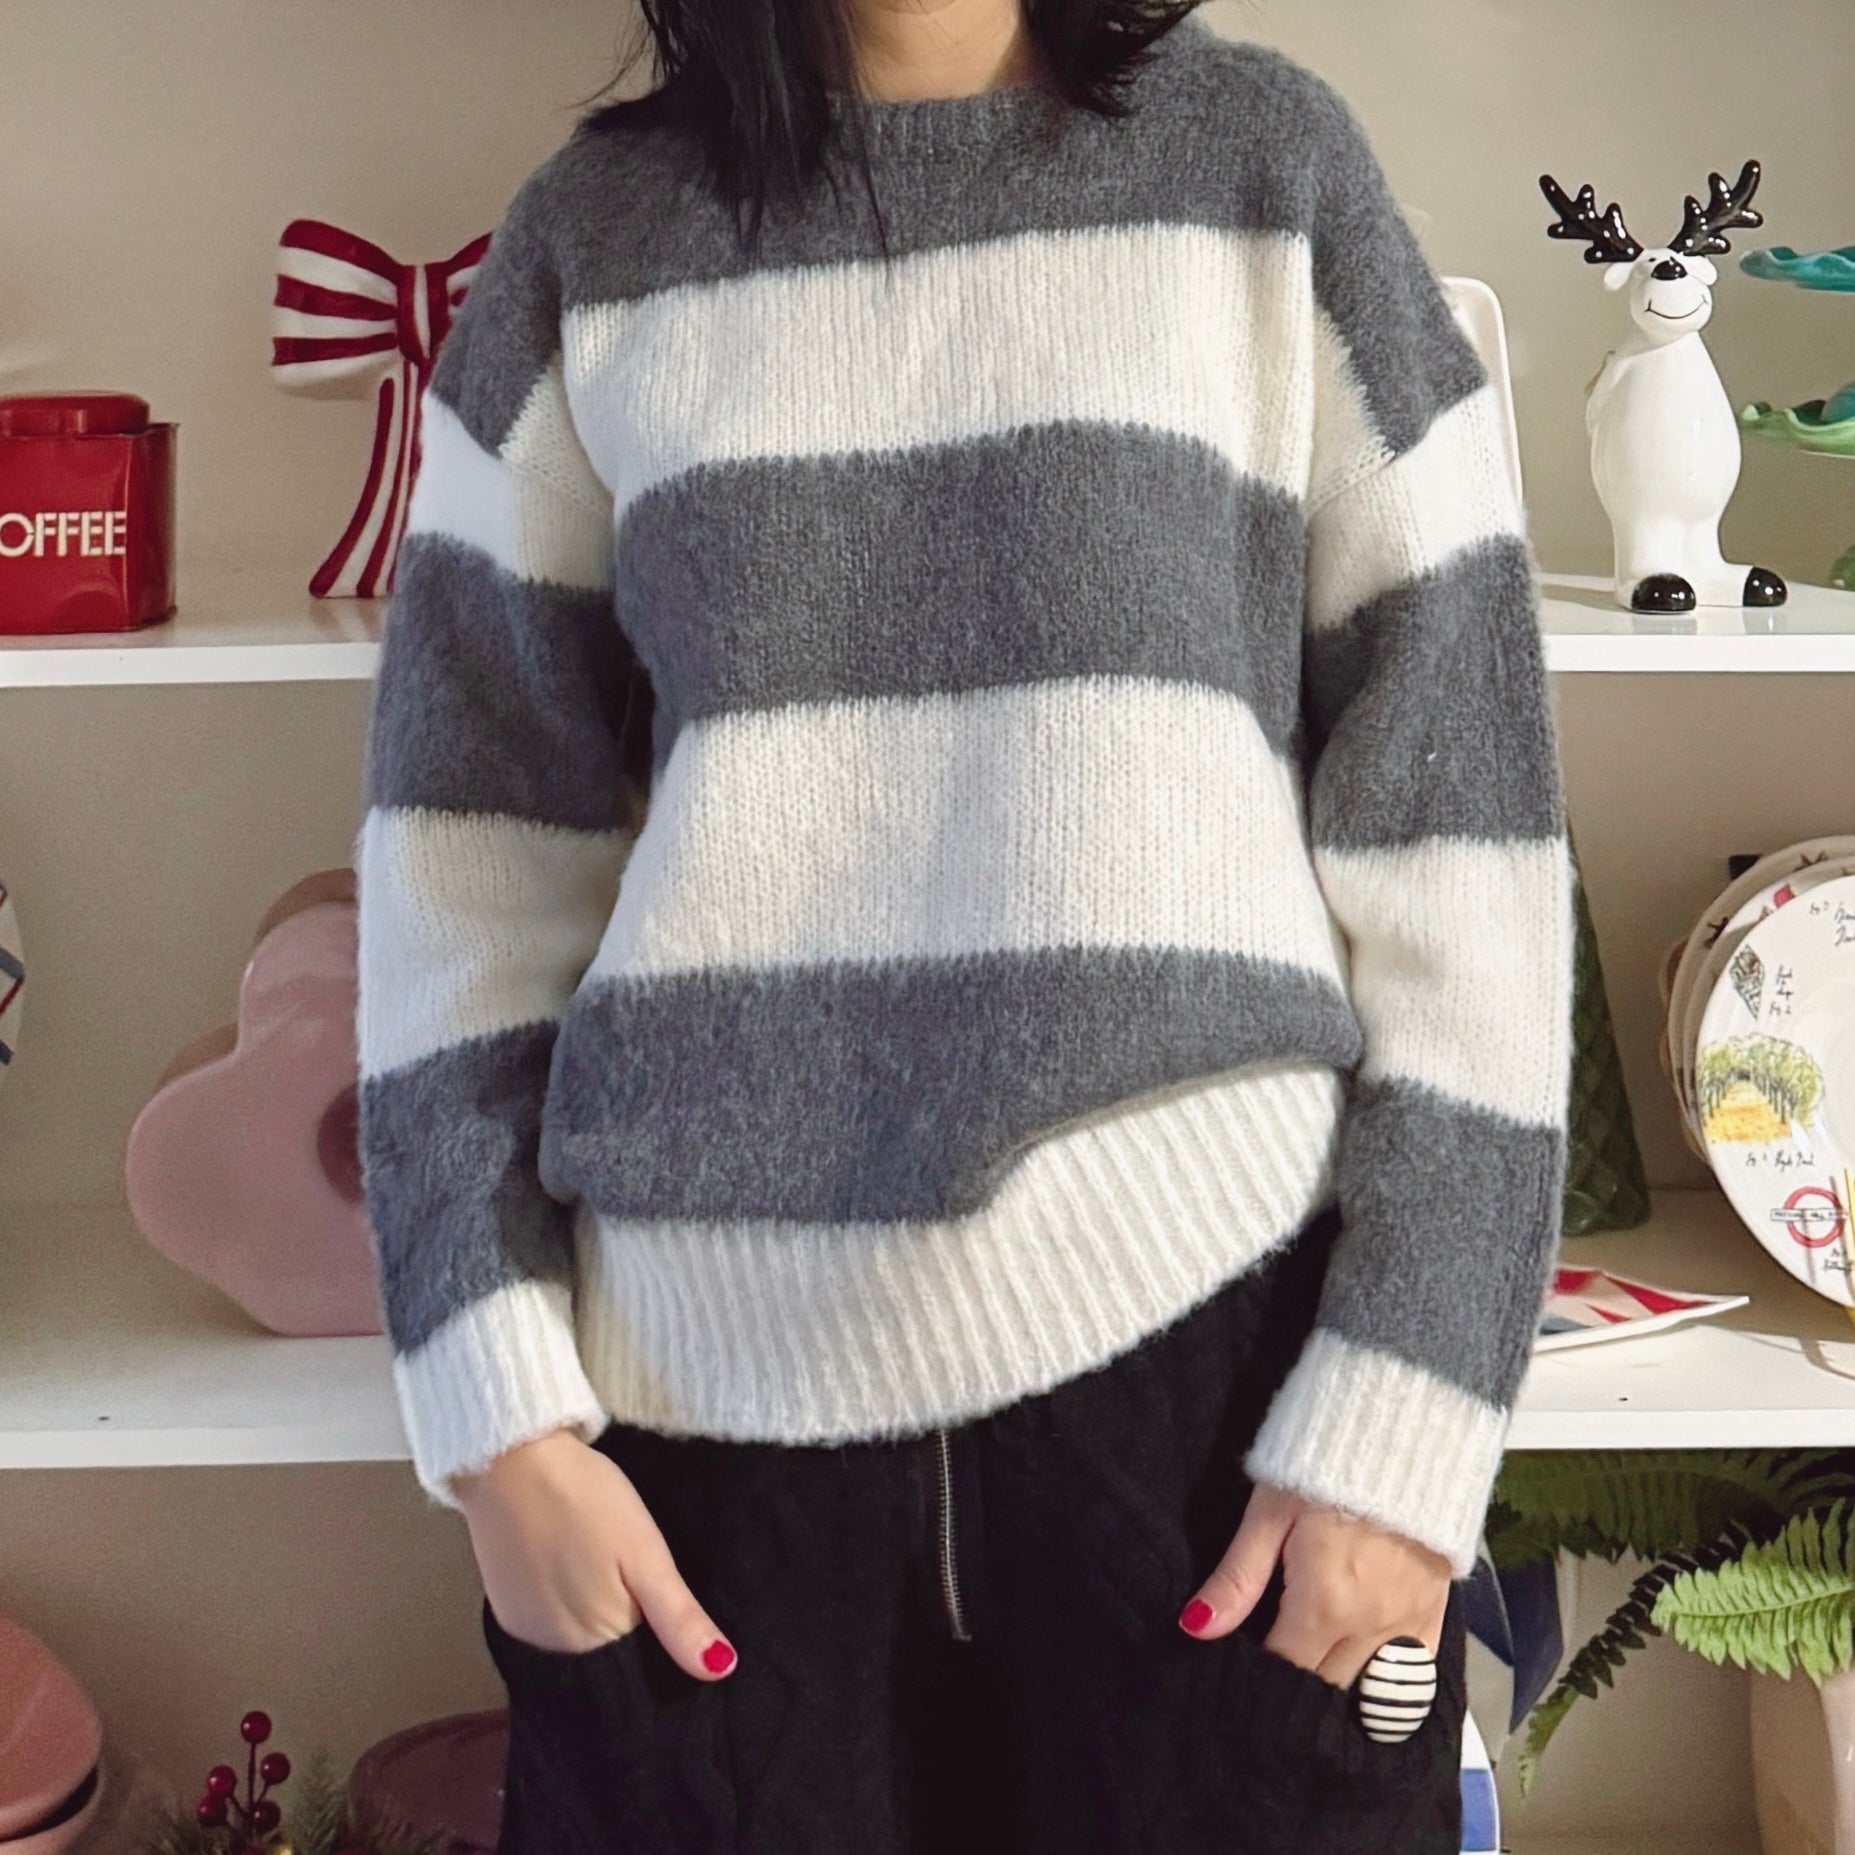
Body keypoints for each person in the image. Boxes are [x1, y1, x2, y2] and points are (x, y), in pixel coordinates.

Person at [353, 0, 1574, 1849]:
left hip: (1213, 1412)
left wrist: (1412, 1423)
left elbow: (1466, 839)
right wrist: (499, 1431)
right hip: (703, 1469)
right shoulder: (589, 243)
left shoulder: (1269, 171)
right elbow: (462, 867)